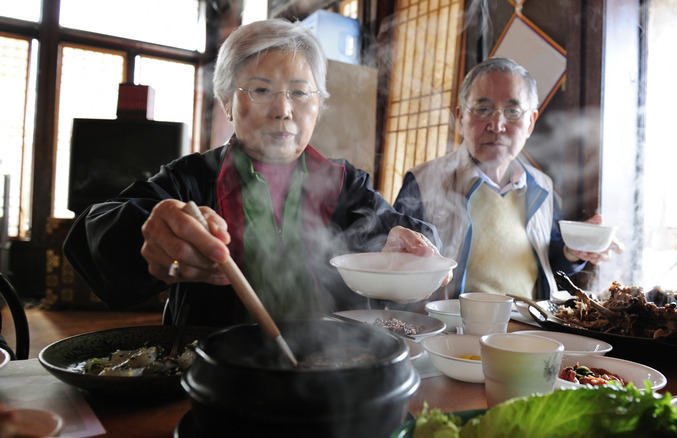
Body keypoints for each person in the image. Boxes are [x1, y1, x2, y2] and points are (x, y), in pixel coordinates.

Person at [63, 19, 448, 327]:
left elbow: (408, 234)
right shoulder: (193, 179)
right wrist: (149, 230)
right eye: (261, 90)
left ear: (318, 106)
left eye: (300, 93)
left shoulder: (346, 184)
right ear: (228, 104)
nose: (283, 109)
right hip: (218, 374)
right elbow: (89, 234)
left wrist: (415, 248)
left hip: (335, 372)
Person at [394, 57, 622, 302]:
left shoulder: (540, 186)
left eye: (512, 112)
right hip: (451, 335)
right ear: (461, 119)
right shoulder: (423, 181)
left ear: (530, 123)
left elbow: (550, 260)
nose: (497, 124)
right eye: (483, 109)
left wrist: (575, 250)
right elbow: (396, 271)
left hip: (529, 333)